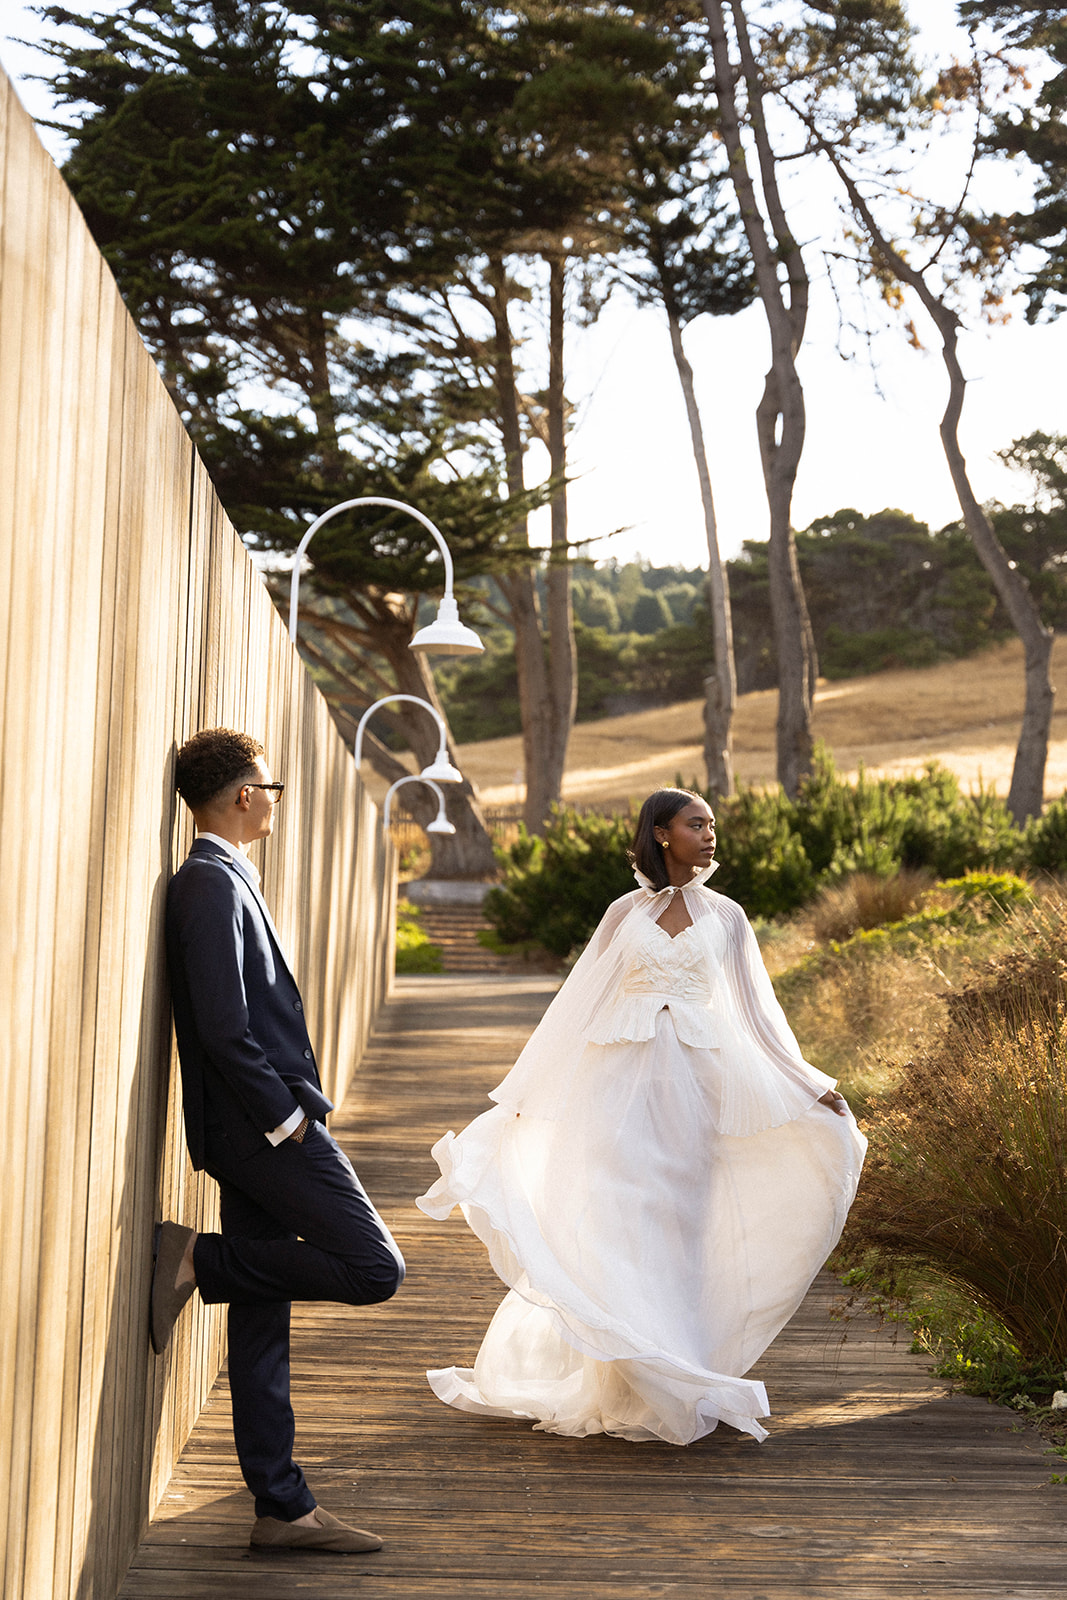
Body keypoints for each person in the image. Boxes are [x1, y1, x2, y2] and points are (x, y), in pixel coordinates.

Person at [416, 788, 866, 1446]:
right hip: (615, 1089)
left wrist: (812, 1087)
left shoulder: (728, 918)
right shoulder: (623, 913)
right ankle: (625, 1379)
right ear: (660, 834)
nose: (709, 835)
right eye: (695, 824)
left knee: (680, 1230)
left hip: (696, 1092)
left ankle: (674, 1374)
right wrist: (524, 1091)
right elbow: (574, 1004)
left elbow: (759, 1019)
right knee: (618, 1225)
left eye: (712, 825)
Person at [151, 728, 405, 1555]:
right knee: (376, 1269)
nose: (273, 799)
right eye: (270, 786)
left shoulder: (223, 878)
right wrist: (287, 1121)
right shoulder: (210, 886)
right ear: (241, 796)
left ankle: (282, 1506)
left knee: (261, 1320)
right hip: (263, 1134)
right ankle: (197, 1260)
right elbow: (225, 1032)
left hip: (252, 1131)